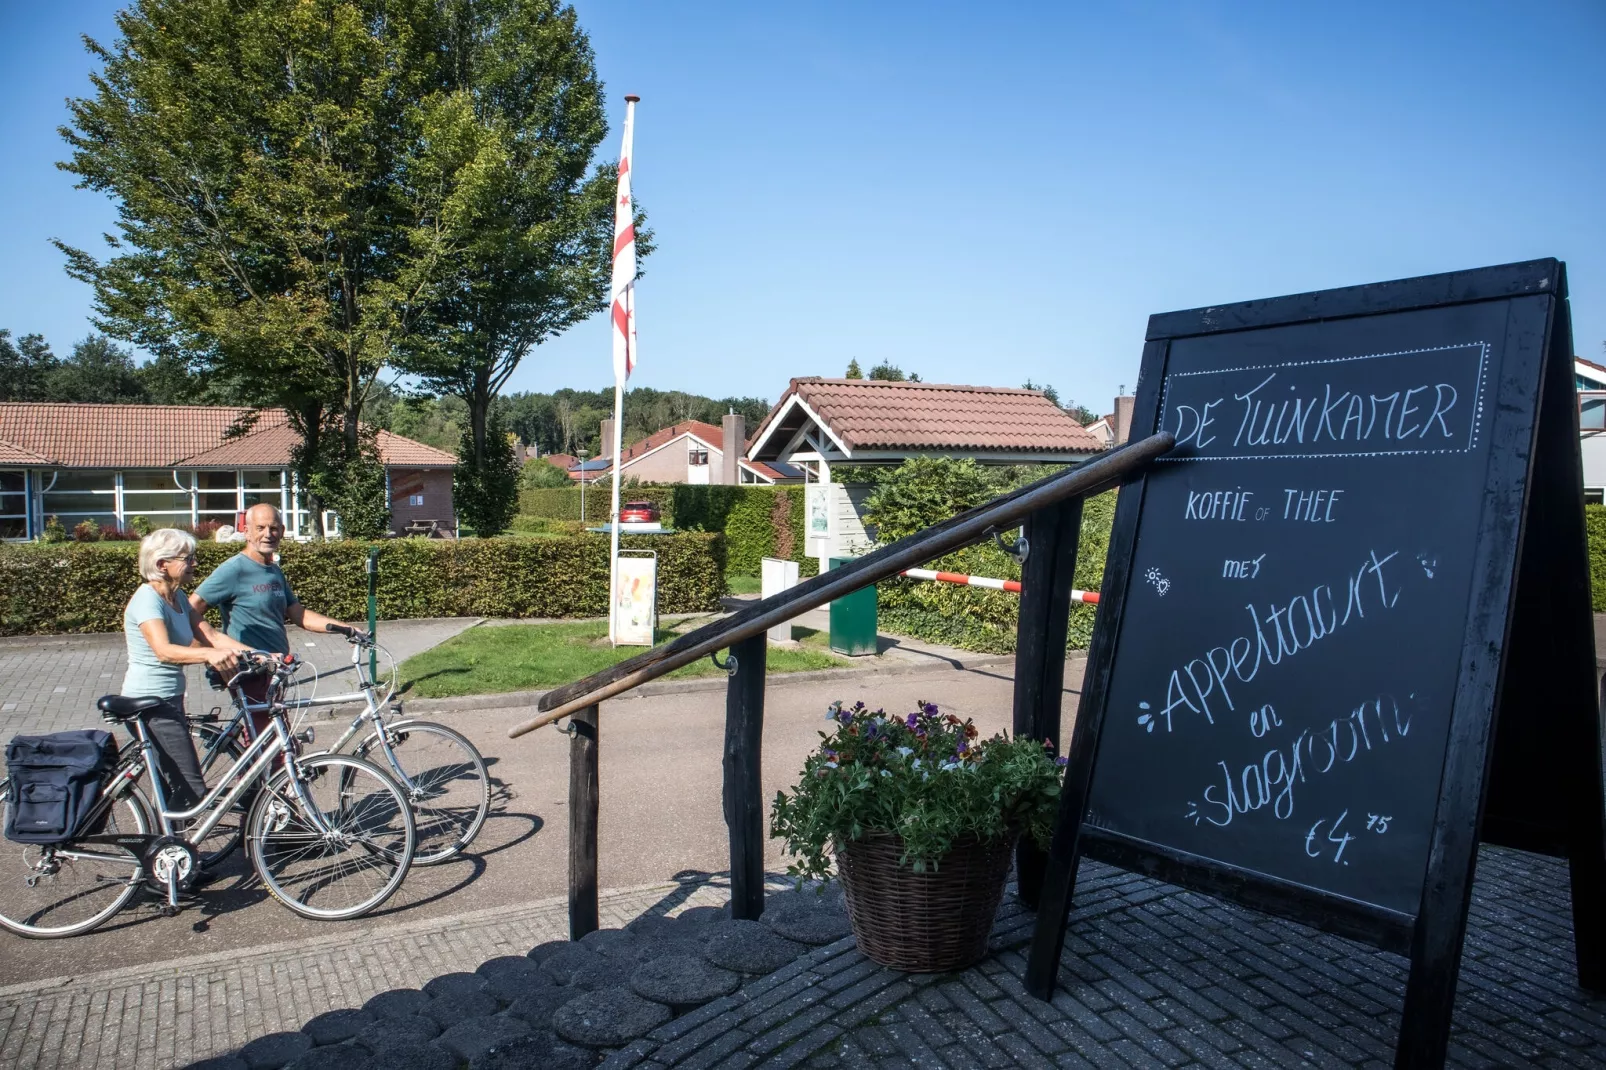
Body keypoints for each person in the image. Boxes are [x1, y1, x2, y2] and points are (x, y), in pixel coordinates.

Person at [189, 503, 354, 737]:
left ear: (283, 530)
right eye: (260, 528)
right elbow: (190, 609)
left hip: (275, 670)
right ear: (246, 532)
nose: (268, 534)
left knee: (273, 740)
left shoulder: (273, 570)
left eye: (274, 528)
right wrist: (210, 652)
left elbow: (298, 613)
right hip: (250, 671)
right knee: (268, 744)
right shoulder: (234, 569)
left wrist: (345, 629)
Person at [121, 528, 251, 812]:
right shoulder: (147, 600)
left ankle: (171, 845)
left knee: (176, 786)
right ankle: (172, 849)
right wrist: (208, 655)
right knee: (190, 789)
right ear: (161, 565)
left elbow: (212, 636)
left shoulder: (177, 598)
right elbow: (164, 651)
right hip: (150, 704)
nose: (194, 564)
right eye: (187, 558)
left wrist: (263, 656)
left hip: (168, 700)